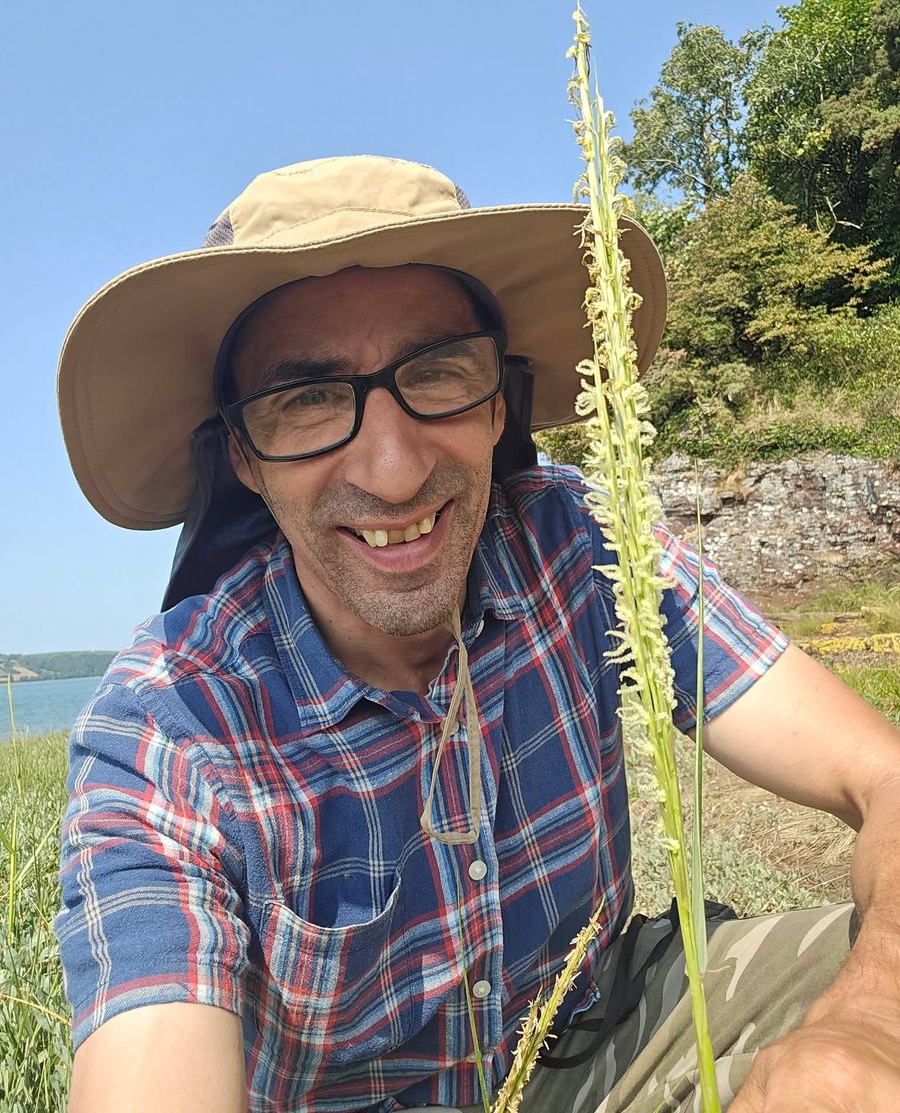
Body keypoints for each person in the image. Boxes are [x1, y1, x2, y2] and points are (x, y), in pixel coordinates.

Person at [55, 155, 900, 1113]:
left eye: (438, 374)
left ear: (499, 404)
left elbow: (879, 772)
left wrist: (869, 1021)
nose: (394, 468)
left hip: (621, 1027)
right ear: (245, 460)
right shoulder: (170, 727)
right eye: (307, 400)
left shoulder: (583, 542)